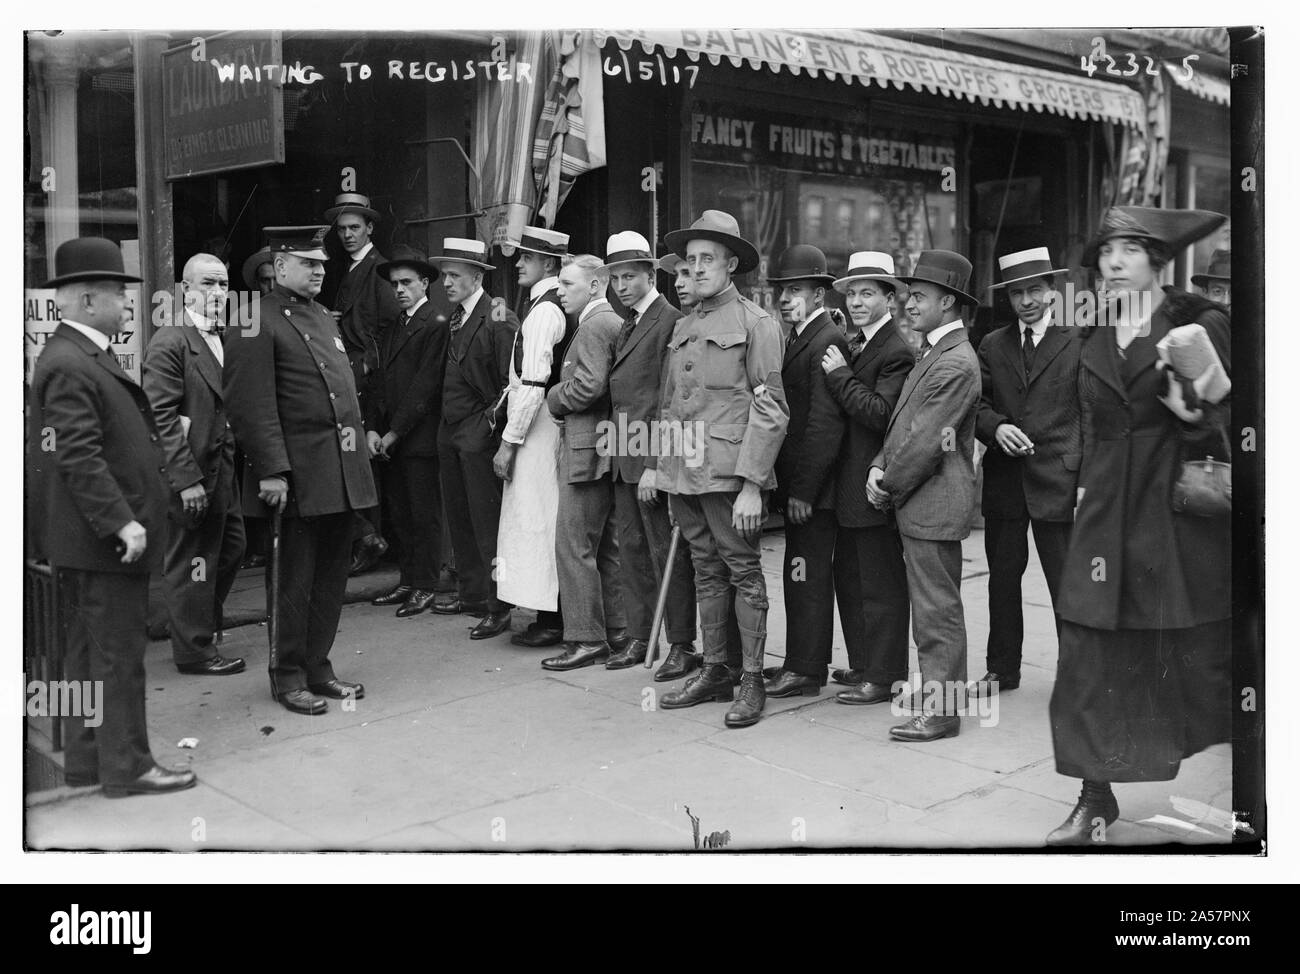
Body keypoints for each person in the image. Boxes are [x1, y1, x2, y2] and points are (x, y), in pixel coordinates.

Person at [1047, 206, 1231, 846]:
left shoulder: (1197, 326)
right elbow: (1090, 427)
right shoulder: (1091, 335)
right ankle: (1094, 797)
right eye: (1106, 251)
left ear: (1157, 261)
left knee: (1194, 661)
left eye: (1130, 249)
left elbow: (1225, 425)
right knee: (1087, 655)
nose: (1115, 262)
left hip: (1171, 522)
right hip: (1103, 520)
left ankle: (1257, 793)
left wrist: (1193, 412)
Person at [28, 237, 196, 796]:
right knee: (118, 659)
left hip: (86, 543)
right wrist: (121, 521)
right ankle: (128, 767)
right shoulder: (73, 362)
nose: (128, 306)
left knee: (84, 657)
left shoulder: (74, 356)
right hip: (103, 543)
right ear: (90, 298)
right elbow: (78, 455)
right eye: (122, 295)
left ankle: (88, 762)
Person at [224, 226, 375, 715]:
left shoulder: (322, 318)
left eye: (322, 264)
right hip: (294, 475)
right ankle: (286, 675)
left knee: (330, 578)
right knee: (292, 579)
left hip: (338, 470)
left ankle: (317, 666)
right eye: (309, 263)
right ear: (280, 264)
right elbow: (250, 403)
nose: (319, 270)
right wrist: (271, 469)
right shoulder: (253, 317)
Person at [655, 210, 789, 728]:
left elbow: (771, 408)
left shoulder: (757, 324)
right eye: (690, 261)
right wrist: (664, 473)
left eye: (707, 259)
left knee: (744, 574)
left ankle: (752, 678)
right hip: (685, 475)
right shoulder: (685, 324)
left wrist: (753, 485)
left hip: (730, 476)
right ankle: (716, 670)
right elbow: (672, 405)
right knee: (706, 571)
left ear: (731, 264)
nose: (697, 269)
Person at [867, 250, 981, 742]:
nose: (908, 304)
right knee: (930, 605)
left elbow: (926, 441)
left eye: (919, 296)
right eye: (909, 295)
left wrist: (885, 485)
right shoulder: (935, 350)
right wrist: (878, 464)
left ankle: (942, 710)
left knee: (937, 610)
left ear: (949, 302)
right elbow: (904, 428)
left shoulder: (954, 360)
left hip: (930, 500)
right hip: (921, 499)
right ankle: (938, 690)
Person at [974, 247, 1082, 694]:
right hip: (1005, 482)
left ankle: (1077, 675)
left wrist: (1087, 483)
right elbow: (975, 405)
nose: (1026, 301)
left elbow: (1094, 415)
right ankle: (1002, 669)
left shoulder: (1079, 340)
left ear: (1053, 291)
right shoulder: (992, 344)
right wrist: (996, 429)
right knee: (1002, 579)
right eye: (1017, 293)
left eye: (1034, 290)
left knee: (1066, 583)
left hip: (1060, 480)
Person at [141, 252, 247, 677]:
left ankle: (197, 626)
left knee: (232, 547)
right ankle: (194, 651)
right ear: (185, 290)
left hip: (223, 469)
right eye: (207, 284)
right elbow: (159, 417)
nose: (218, 293)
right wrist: (186, 481)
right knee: (192, 561)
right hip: (191, 473)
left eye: (223, 285)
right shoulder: (171, 340)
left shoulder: (228, 336)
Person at [820, 252, 914, 705]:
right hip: (849, 485)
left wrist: (839, 375)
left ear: (889, 299)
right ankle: (864, 666)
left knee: (879, 584)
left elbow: (881, 415)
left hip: (872, 486)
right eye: (852, 293)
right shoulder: (859, 342)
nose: (856, 301)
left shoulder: (895, 349)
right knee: (852, 578)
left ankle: (886, 674)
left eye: (867, 293)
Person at [600, 233, 692, 672]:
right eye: (615, 277)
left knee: (663, 554)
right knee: (633, 551)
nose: (620, 285)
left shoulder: (669, 320)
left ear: (652, 275)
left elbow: (668, 400)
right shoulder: (629, 323)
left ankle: (680, 644)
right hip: (624, 455)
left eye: (629, 276)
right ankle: (641, 638)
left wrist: (657, 465)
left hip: (650, 460)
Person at [761, 245, 848, 698]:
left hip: (813, 491)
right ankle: (799, 662)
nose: (786, 299)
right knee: (799, 575)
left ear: (818, 295)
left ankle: (807, 668)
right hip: (802, 487)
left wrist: (803, 491)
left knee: (807, 577)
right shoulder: (801, 336)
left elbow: (823, 425)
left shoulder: (825, 338)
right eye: (783, 290)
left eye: (796, 290)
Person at [429, 237, 519, 637]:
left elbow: (510, 383)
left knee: (487, 522)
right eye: (444, 275)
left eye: (454, 275)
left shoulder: (498, 316)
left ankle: (498, 606)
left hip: (479, 436)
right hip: (450, 434)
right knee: (460, 517)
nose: (446, 282)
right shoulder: (455, 317)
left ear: (477, 276)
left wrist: (488, 431)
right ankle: (472, 594)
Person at [541, 255, 627, 669]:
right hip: (601, 448)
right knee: (603, 547)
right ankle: (616, 632)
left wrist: (554, 396)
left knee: (573, 546)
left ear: (595, 286)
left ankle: (585, 639)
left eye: (567, 284)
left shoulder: (594, 325)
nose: (559, 291)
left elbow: (590, 385)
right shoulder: (609, 322)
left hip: (584, 450)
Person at [493, 226, 576, 645]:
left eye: (527, 257)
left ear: (550, 264)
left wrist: (510, 441)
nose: (519, 264)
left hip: (539, 429)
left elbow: (533, 381)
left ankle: (553, 619)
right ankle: (547, 613)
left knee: (541, 518)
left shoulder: (545, 310)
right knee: (537, 517)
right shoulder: (541, 304)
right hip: (538, 426)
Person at [365, 247, 449, 618]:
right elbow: (381, 383)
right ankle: (408, 580)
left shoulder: (436, 322)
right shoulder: (396, 325)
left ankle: (426, 585)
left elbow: (425, 386)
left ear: (425, 283)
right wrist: (372, 429)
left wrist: (394, 433)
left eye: (406, 282)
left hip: (419, 439)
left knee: (423, 513)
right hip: (391, 440)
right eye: (395, 284)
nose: (398, 289)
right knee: (400, 513)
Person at [323, 192, 399, 575]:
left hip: (365, 379)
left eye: (355, 227)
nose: (348, 234)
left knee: (361, 460)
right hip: (353, 373)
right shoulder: (350, 268)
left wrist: (367, 367)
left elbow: (387, 331)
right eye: (342, 229)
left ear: (370, 228)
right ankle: (367, 538)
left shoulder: (378, 270)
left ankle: (370, 540)